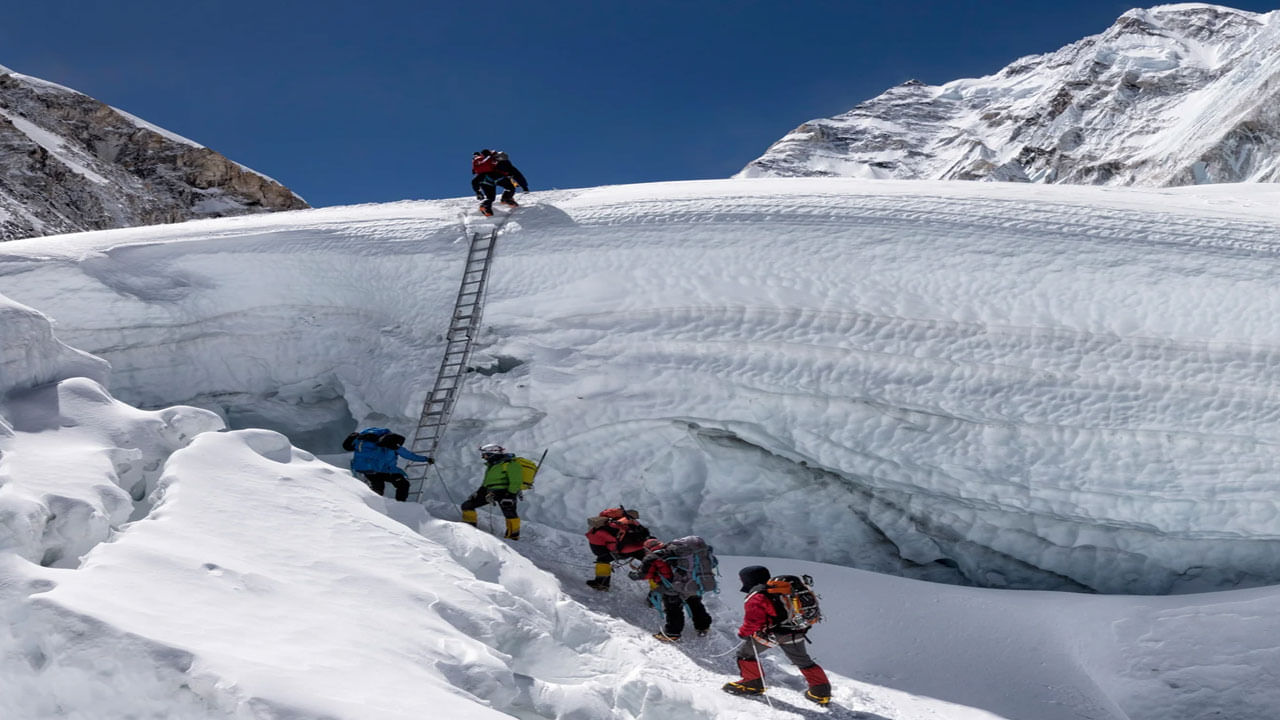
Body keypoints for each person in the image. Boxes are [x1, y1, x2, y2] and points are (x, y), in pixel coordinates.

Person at [723, 565, 832, 705]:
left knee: (745, 654)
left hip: (773, 634)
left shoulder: (756, 596)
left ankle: (752, 685)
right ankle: (820, 693)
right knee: (804, 661)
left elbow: (754, 621)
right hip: (796, 630)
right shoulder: (782, 590)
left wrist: (744, 634)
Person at [629, 538, 714, 643]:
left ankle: (672, 633)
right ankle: (703, 626)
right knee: (695, 603)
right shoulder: (674, 551)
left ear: (647, 548)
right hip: (692, 583)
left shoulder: (652, 557)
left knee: (673, 609)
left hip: (673, 586)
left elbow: (645, 575)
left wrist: (632, 575)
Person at [343, 427, 433, 502]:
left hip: (371, 471)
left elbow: (348, 447)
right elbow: (408, 455)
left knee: (379, 490)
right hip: (384, 471)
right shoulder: (391, 445)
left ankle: (378, 509)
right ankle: (399, 506)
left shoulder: (364, 442)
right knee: (402, 484)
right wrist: (426, 459)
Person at [460, 443, 524, 539]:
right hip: (490, 492)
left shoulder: (511, 464)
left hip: (505, 492)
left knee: (509, 513)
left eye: (485, 454)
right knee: (467, 505)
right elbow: (487, 483)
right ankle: (470, 528)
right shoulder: (492, 466)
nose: (483, 457)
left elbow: (516, 481)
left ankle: (513, 536)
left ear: (492, 453)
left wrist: (510, 495)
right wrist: (478, 492)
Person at [584, 507, 652, 591]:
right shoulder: (632, 523)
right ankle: (659, 590)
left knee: (602, 560)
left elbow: (612, 545)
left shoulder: (606, 528)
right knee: (652, 563)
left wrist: (615, 552)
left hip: (623, 549)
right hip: (639, 547)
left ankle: (601, 584)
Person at [471, 149, 528, 217]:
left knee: (490, 197)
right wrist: (524, 187)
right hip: (497, 177)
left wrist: (478, 192)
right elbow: (517, 175)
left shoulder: (482, 162)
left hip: (484, 180)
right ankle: (506, 198)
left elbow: (474, 180)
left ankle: (485, 206)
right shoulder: (504, 163)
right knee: (510, 188)